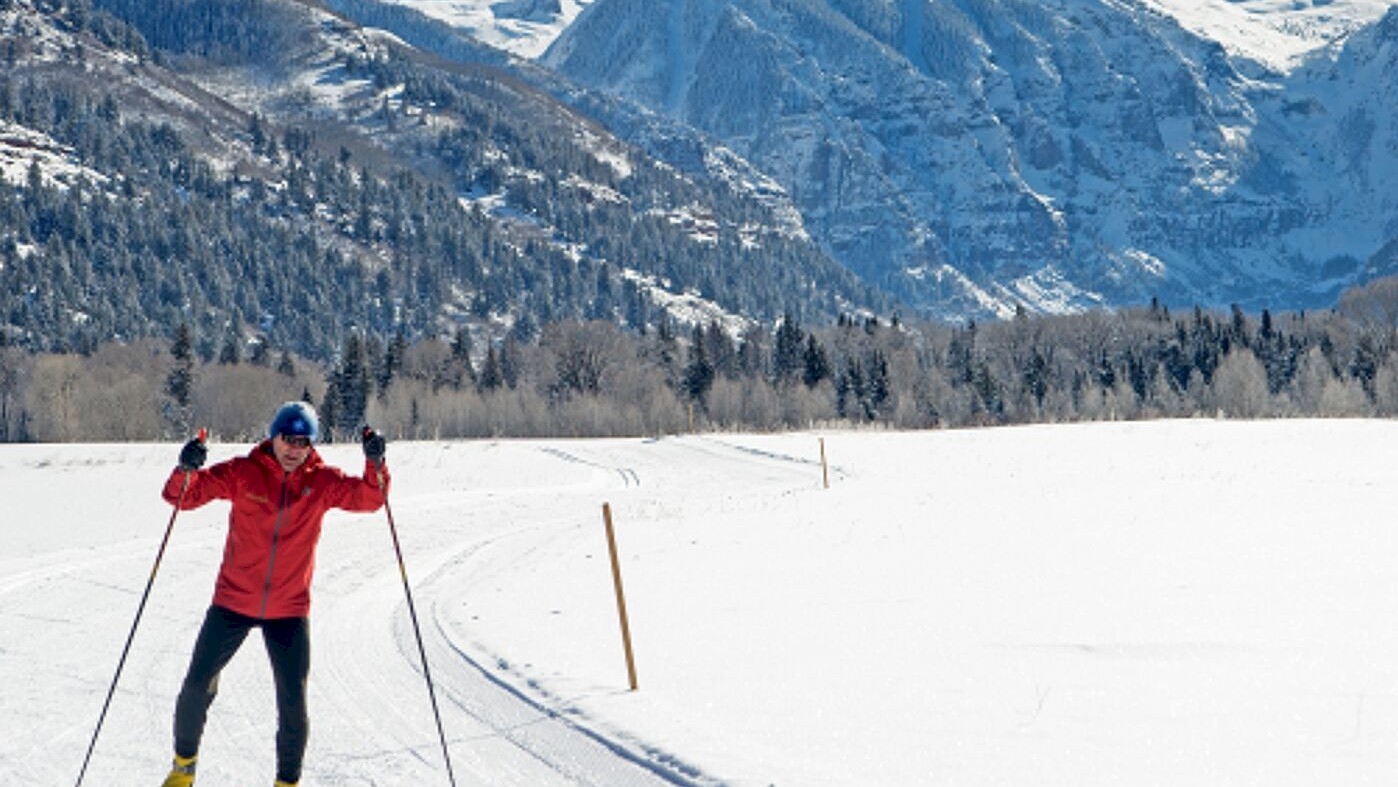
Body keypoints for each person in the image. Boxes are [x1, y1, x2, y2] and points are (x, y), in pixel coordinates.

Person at [158, 401, 389, 787]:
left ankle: (287, 782)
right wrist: (186, 468)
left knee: (293, 705)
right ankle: (183, 768)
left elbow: (370, 498)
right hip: (233, 601)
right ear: (274, 435)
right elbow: (183, 497)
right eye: (288, 439)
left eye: (303, 442)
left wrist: (375, 463)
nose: (294, 449)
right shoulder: (243, 473)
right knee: (196, 686)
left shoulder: (322, 481)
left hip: (288, 609)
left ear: (311, 445)